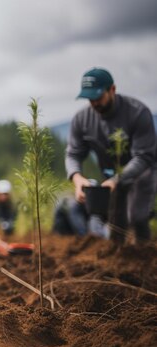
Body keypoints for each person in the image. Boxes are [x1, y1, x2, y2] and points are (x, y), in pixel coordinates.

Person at [66, 68, 156, 244]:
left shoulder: (137, 112)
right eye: (90, 99)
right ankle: (117, 259)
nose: (94, 103)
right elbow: (73, 153)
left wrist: (118, 179)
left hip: (142, 172)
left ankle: (145, 259)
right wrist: (77, 178)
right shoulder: (82, 119)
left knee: (137, 217)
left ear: (112, 90)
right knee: (116, 221)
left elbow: (144, 156)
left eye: (98, 97)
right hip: (109, 177)